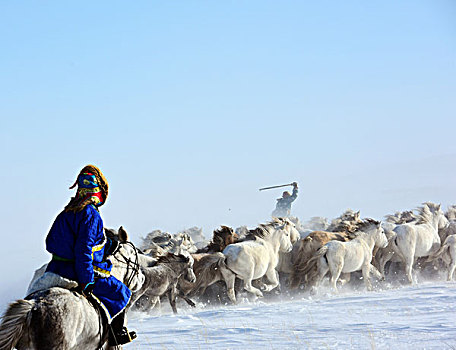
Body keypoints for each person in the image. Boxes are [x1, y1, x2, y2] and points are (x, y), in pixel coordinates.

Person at [45, 164, 137, 346]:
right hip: (77, 272)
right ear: (99, 191)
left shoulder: (66, 212)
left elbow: (50, 242)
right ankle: (115, 335)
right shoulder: (91, 214)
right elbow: (84, 249)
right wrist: (86, 279)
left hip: (54, 269)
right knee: (122, 292)